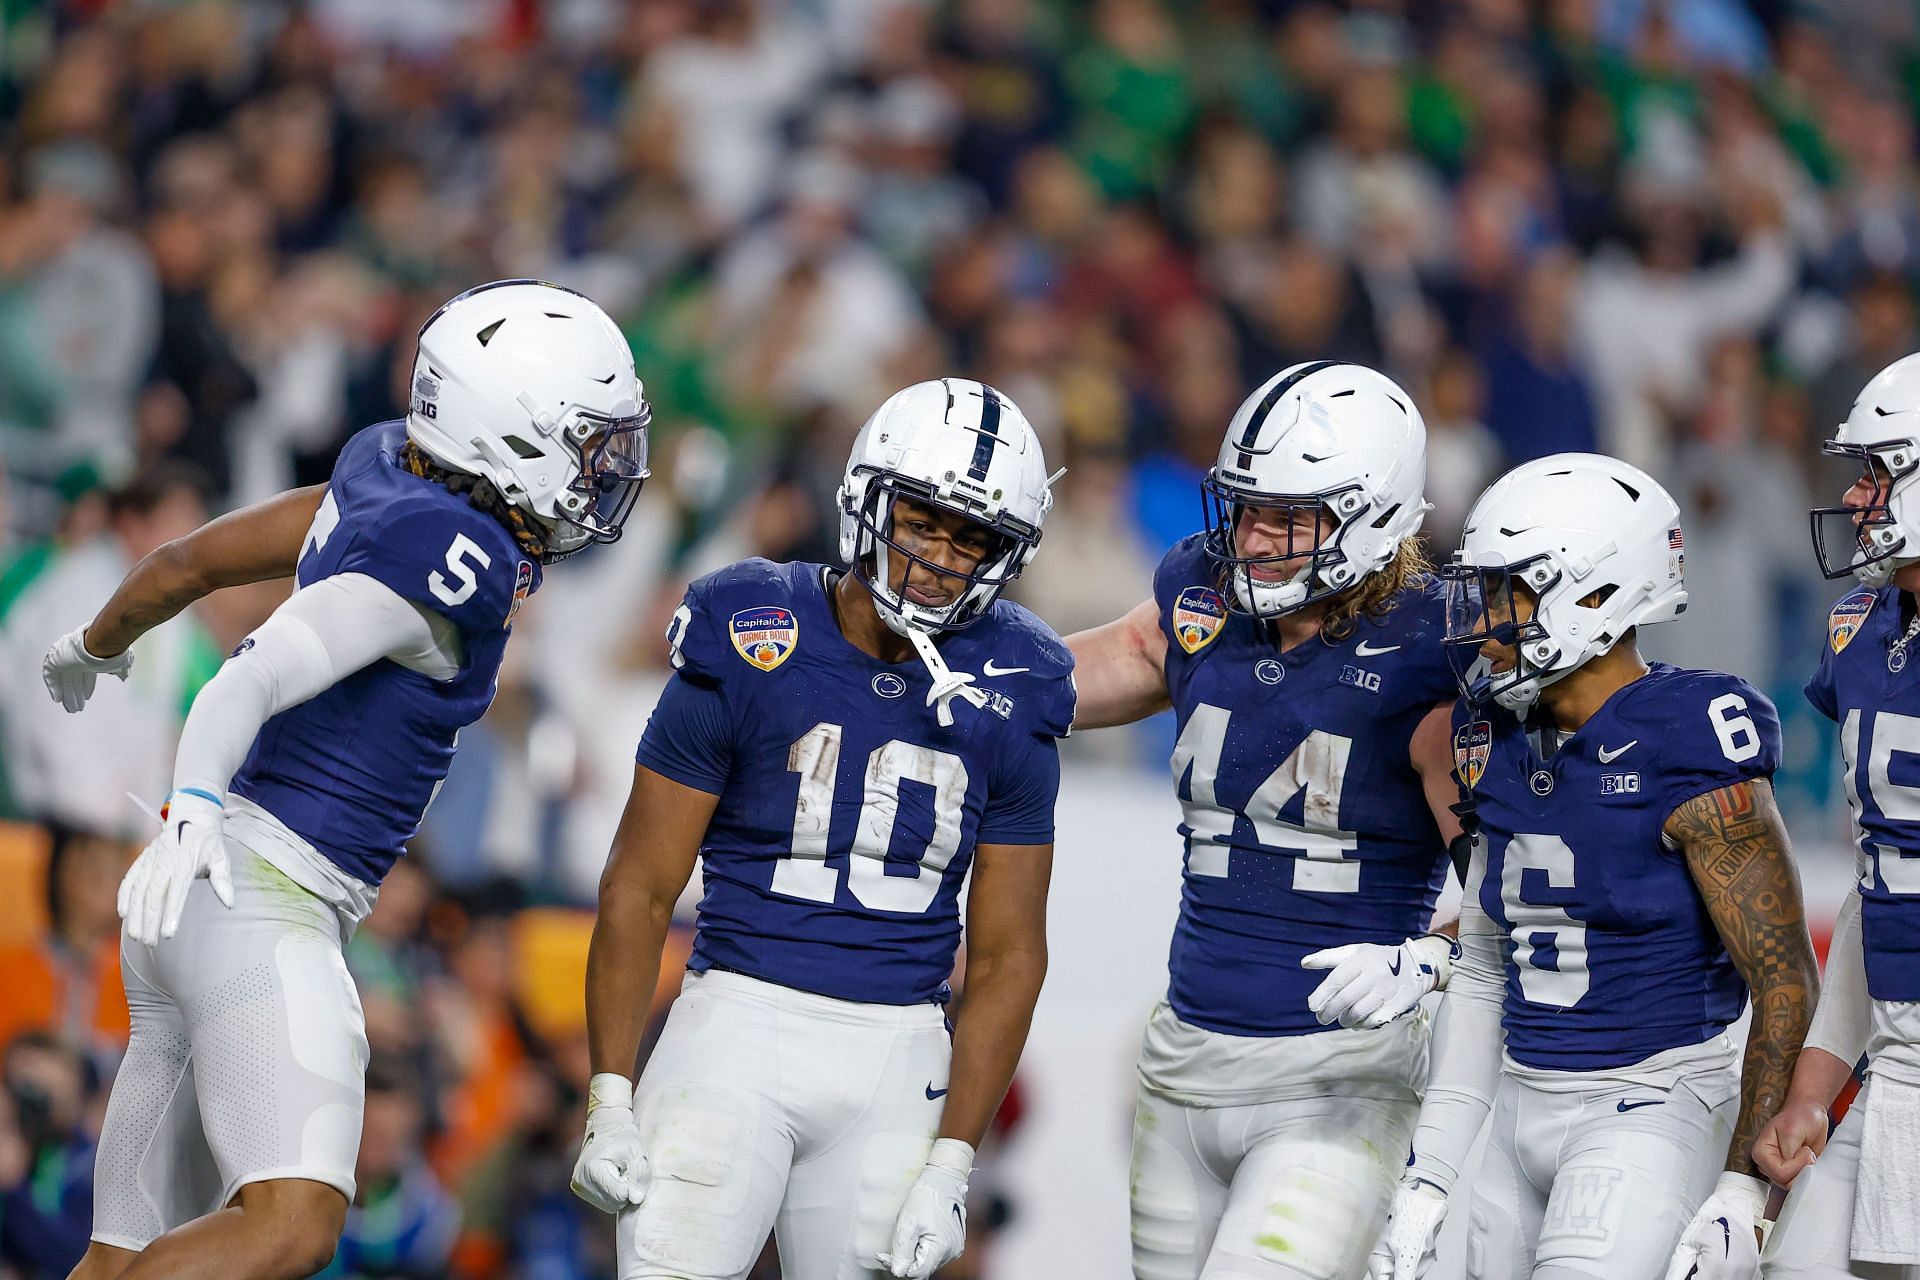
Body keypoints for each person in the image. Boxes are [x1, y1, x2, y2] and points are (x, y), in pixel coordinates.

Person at [40, 278, 650, 1280]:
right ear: (513, 434)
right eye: (588, 441)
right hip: (261, 893)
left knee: (122, 1257)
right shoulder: (458, 553)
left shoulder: (384, 465)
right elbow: (258, 668)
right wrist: (191, 800)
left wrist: (94, 640)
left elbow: (186, 563)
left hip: (205, 895)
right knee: (292, 1225)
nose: (606, 469)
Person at [573, 379, 1073, 1280]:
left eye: (973, 539)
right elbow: (639, 882)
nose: (939, 558)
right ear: (867, 498)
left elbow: (1008, 956)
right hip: (735, 1021)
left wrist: (957, 1159)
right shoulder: (752, 624)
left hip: (900, 1049)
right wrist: (609, 1092)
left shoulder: (1022, 676)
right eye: (922, 520)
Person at [1370, 454, 1820, 1280]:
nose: (1483, 616)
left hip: (1650, 1101)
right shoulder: (1493, 737)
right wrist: (1429, 1176)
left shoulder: (1688, 734)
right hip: (1516, 1104)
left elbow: (1785, 978)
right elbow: (1483, 969)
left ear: (1595, 593)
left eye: (1509, 590)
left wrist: (1742, 1186)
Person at [1067, 360, 1467, 1280]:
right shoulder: (1203, 600)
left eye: (1289, 516)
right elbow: (1083, 670)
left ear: (1373, 514)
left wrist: (1428, 957)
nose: (1252, 537)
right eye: (1247, 506)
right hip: (1184, 1060)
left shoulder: (1434, 656)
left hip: (1335, 1082)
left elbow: (1511, 891)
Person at [1756, 352, 1920, 1280]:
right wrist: (1815, 1091)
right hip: (1894, 1064)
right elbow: (1883, 886)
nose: (1858, 499)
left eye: (1880, 472)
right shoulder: (1866, 629)